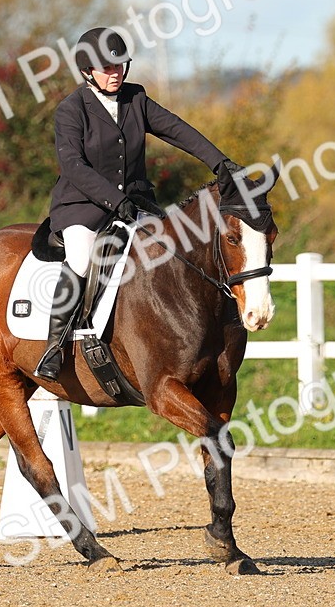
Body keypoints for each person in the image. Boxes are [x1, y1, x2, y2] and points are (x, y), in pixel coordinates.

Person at [34, 26, 244, 381]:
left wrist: (220, 163)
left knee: (169, 252)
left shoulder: (136, 99)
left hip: (135, 203)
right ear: (87, 71)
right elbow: (73, 166)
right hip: (83, 206)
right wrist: (115, 200)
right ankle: (55, 347)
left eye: (119, 66)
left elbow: (178, 130)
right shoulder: (71, 110)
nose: (115, 73)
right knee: (82, 258)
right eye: (107, 68)